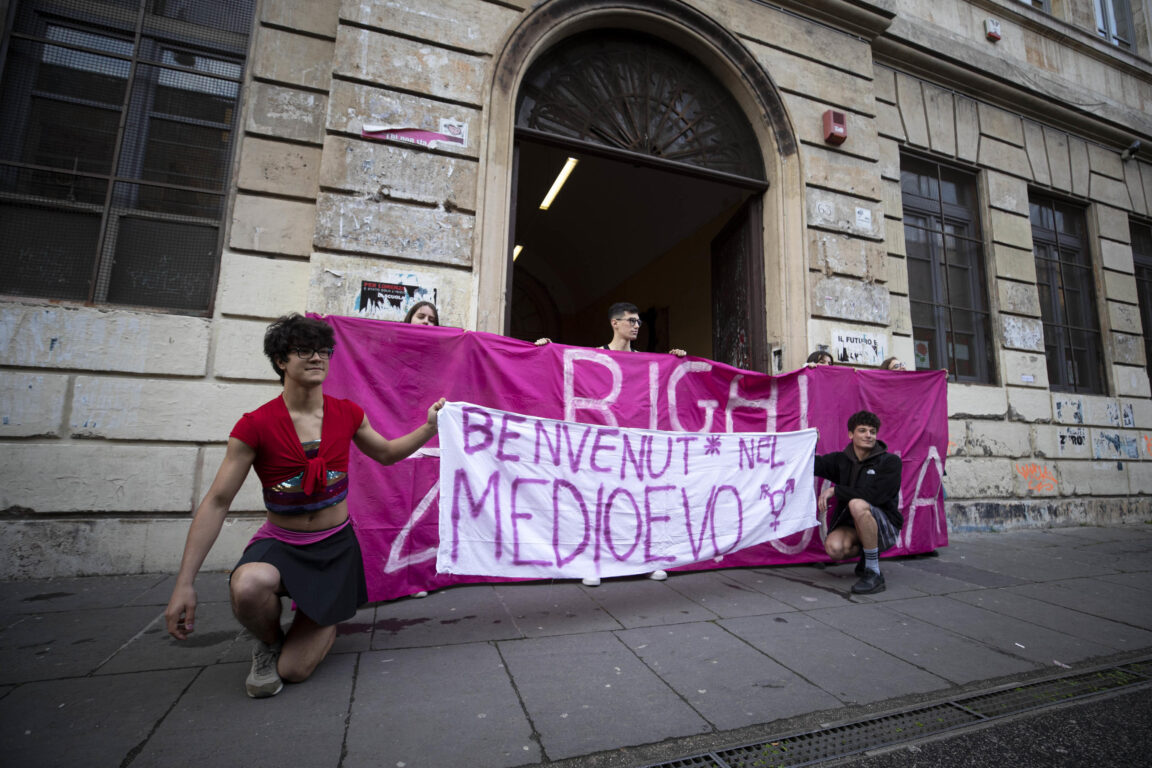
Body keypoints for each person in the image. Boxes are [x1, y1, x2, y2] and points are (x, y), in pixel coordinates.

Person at [164, 314, 445, 698]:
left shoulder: (348, 414)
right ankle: (267, 639)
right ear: (281, 361)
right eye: (304, 350)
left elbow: (388, 453)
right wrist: (184, 585)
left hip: (334, 549)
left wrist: (429, 427)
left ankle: (319, 617)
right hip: (282, 544)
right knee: (246, 586)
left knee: (294, 671)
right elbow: (217, 502)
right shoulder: (254, 426)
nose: (317, 358)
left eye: (323, 351)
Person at [535, 302, 683, 585]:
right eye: (631, 320)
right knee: (598, 504)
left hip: (635, 451)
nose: (637, 325)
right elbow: (563, 373)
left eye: (639, 321)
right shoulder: (594, 357)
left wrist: (676, 359)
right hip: (601, 450)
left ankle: (646, 561)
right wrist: (546, 350)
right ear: (614, 323)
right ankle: (594, 564)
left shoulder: (648, 362)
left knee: (637, 504)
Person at [812, 410, 902, 595]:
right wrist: (810, 443)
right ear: (851, 434)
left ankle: (874, 573)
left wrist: (836, 490)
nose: (868, 435)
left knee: (857, 504)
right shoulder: (841, 460)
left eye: (872, 431)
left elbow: (876, 496)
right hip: (853, 526)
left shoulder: (890, 462)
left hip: (885, 528)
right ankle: (866, 558)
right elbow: (813, 465)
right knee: (834, 548)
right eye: (862, 430)